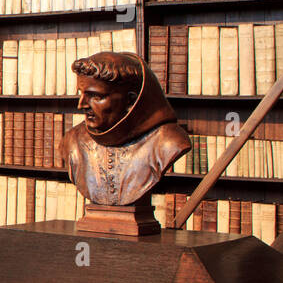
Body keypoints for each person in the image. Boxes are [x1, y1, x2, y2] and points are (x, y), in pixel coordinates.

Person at [57, 51, 190, 207]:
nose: (82, 105)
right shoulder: (73, 140)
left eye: (96, 97)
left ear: (130, 100)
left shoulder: (168, 142)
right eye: (82, 94)